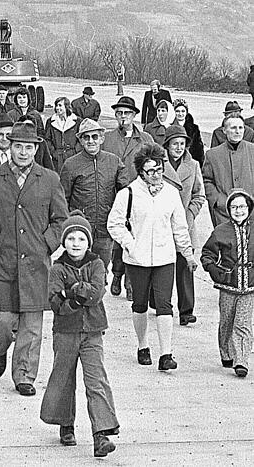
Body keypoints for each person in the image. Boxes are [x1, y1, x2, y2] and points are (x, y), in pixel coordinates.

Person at [0, 120, 68, 397]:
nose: (23, 152)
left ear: (36, 149)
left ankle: (24, 374)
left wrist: (45, 244)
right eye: (18, 146)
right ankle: (0, 349)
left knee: (32, 327)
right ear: (9, 146)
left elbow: (61, 220)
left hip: (36, 266)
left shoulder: (50, 180)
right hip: (0, 265)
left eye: (29, 147)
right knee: (3, 321)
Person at [107, 143, 199, 371]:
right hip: (136, 260)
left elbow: (179, 227)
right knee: (139, 305)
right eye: (150, 171)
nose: (156, 174)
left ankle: (166, 354)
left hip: (164, 258)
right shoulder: (128, 194)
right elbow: (114, 224)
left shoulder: (171, 194)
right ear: (141, 172)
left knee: (164, 305)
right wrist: (130, 244)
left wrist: (187, 254)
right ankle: (143, 346)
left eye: (159, 169)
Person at [40, 212, 119, 458]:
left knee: (96, 379)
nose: (76, 243)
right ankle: (66, 424)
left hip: (92, 331)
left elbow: (96, 293)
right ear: (64, 241)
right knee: (63, 377)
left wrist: (73, 290)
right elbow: (56, 303)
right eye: (71, 238)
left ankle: (101, 433)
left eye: (81, 239)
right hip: (65, 332)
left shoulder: (97, 264)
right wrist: (74, 298)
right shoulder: (57, 268)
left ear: (89, 242)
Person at [102, 96, 155, 299]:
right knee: (118, 239)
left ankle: (131, 282)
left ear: (134, 116)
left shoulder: (146, 139)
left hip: (139, 194)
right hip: (114, 195)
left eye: (127, 113)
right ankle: (117, 273)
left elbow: (156, 164)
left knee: (137, 238)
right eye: (119, 113)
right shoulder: (107, 138)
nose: (123, 117)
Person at [60, 119, 129, 271]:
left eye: (95, 137)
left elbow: (124, 193)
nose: (91, 141)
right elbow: (63, 198)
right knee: (78, 270)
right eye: (86, 137)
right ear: (81, 140)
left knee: (101, 269)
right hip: (80, 229)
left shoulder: (114, 161)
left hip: (105, 227)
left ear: (102, 138)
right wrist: (69, 222)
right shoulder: (71, 164)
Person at [202, 189, 254, 377]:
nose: (239, 211)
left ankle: (241, 361)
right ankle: (226, 353)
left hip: (249, 287)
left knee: (243, 324)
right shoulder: (220, 231)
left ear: (249, 208)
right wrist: (213, 269)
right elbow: (207, 254)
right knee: (227, 322)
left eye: (242, 207)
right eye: (234, 207)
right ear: (229, 210)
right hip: (227, 285)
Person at [163, 125, 205, 326]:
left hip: (185, 225)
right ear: (167, 145)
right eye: (174, 144)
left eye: (182, 144)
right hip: (163, 223)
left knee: (185, 266)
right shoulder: (158, 164)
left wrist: (189, 216)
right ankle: (160, 303)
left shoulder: (193, 165)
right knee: (162, 267)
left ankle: (186, 311)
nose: (179, 148)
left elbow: (199, 195)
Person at [203, 115, 254, 227]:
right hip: (224, 213)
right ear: (224, 130)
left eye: (240, 128)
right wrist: (218, 200)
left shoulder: (252, 150)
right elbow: (207, 180)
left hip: (251, 211)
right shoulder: (212, 155)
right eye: (233, 128)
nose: (237, 131)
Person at [45, 96, 80, 171]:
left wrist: (75, 151)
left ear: (66, 107)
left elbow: (81, 138)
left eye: (60, 105)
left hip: (72, 156)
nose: (57, 108)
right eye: (56, 105)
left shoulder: (77, 121)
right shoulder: (50, 121)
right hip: (57, 157)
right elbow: (47, 139)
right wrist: (53, 152)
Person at [172, 99, 205, 166]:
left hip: (190, 162)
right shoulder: (170, 127)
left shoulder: (194, 128)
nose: (180, 114)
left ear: (186, 112)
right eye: (177, 111)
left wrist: (199, 164)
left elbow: (199, 149)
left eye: (183, 111)